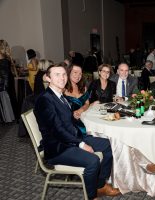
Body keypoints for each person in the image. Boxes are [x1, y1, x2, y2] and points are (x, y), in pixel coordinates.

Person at [34, 63, 120, 200]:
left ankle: (100, 186)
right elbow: (58, 130)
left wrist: (81, 136)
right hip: (58, 147)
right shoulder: (45, 100)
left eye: (63, 74)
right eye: (57, 75)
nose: (62, 78)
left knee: (106, 144)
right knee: (93, 161)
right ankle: (91, 197)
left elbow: (69, 122)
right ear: (48, 78)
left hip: (71, 138)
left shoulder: (59, 96)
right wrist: (81, 144)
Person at [64, 64, 90, 135]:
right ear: (68, 73)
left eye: (80, 74)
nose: (78, 75)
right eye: (75, 72)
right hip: (69, 123)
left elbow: (87, 103)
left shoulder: (83, 87)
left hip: (83, 117)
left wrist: (80, 110)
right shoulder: (62, 89)